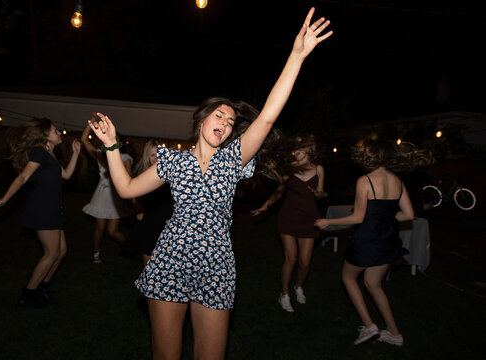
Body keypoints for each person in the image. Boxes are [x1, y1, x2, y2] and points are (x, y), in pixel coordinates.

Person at [90, 8, 332, 359]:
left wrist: (296, 56)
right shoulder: (173, 161)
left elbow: (267, 116)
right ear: (202, 119)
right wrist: (112, 146)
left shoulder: (233, 160)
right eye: (218, 115)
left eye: (231, 121)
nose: (225, 122)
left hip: (216, 265)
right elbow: (126, 189)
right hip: (169, 260)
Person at [315, 135, 433, 346]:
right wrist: (384, 217)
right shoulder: (398, 181)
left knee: (349, 279)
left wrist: (329, 221)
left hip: (366, 240)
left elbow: (358, 218)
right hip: (387, 240)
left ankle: (369, 326)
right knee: (373, 284)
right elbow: (408, 214)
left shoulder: (365, 180)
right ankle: (394, 334)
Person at [0, 118, 81, 308]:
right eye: (55, 130)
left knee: (61, 252)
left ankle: (41, 289)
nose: (59, 132)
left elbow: (66, 175)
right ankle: (28, 294)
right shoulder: (39, 153)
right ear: (44, 136)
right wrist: (4, 199)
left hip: (52, 209)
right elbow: (24, 176)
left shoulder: (49, 155)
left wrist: (75, 154)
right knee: (51, 254)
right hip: (42, 209)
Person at [251, 134, 325, 312]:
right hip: (289, 216)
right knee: (290, 258)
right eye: (294, 149)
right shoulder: (288, 169)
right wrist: (265, 206)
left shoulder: (319, 169)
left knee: (305, 263)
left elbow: (322, 191)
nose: (295, 151)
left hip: (309, 217)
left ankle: (298, 286)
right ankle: (284, 294)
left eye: (299, 148)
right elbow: (279, 193)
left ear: (308, 149)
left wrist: (318, 193)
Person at [81, 121, 134, 264]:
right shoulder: (100, 155)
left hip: (116, 195)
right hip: (102, 194)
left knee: (112, 231)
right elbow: (84, 140)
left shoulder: (125, 158)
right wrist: (90, 122)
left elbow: (128, 179)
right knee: (100, 227)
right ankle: (96, 252)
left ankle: (132, 248)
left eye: (115, 137)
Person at [127, 139, 174, 265]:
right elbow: (133, 193)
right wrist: (138, 210)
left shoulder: (171, 172)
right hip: (150, 218)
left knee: (167, 256)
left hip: (168, 218)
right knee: (148, 253)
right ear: (147, 157)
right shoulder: (142, 173)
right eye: (153, 155)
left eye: (159, 154)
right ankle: (148, 282)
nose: (156, 158)